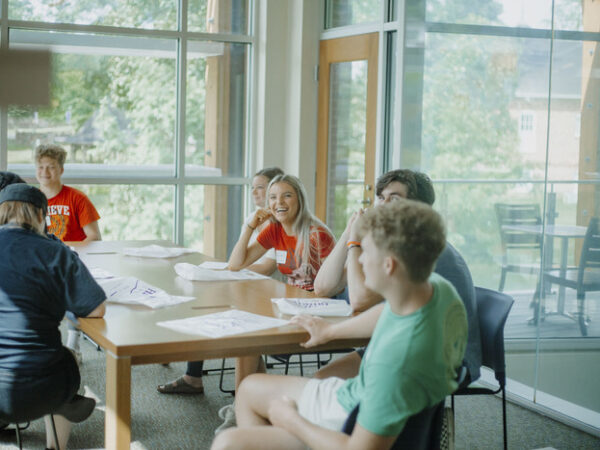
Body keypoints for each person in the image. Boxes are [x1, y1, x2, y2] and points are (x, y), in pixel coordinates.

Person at [211, 200, 468, 450]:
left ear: (389, 266)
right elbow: (386, 312)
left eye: (365, 252)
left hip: (348, 420)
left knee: (227, 442)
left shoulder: (394, 365)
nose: (359, 261)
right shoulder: (437, 290)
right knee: (248, 387)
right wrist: (330, 331)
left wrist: (292, 421)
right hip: (360, 395)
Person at [313, 169, 482, 384]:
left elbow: (360, 300)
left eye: (393, 199)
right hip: (400, 343)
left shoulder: (418, 248)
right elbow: (323, 287)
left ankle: (417, 416)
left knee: (325, 384)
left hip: (441, 358)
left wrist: (354, 242)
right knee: (322, 378)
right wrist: (348, 231)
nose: (382, 206)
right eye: (380, 198)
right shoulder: (392, 242)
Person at [216, 174, 335, 432]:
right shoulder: (275, 230)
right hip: (292, 306)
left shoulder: (316, 235)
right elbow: (236, 264)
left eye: (286, 195)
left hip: (320, 311)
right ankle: (249, 406)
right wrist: (250, 225)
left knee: (248, 339)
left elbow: (332, 288)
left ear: (299, 199)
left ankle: (242, 408)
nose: (278, 202)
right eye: (273, 197)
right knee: (247, 336)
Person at [157, 167, 284, 396]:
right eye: (252, 187)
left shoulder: (280, 223)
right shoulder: (254, 218)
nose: (255, 193)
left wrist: (233, 270)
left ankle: (247, 391)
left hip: (268, 290)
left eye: (261, 188)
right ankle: (194, 375)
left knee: (215, 303)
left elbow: (267, 267)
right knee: (203, 300)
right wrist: (232, 268)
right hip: (246, 282)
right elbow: (237, 258)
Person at [0, 184, 106, 450]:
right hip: (43, 384)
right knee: (67, 358)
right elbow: (96, 308)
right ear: (40, 217)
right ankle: (54, 445)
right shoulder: (56, 252)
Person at [35, 144, 102, 361]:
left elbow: (94, 237)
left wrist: (63, 248)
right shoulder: (31, 199)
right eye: (41, 166)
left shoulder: (77, 198)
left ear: (61, 170)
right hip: (39, 261)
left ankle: (73, 348)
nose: (45, 172)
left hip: (69, 261)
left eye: (51, 167)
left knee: (71, 292)